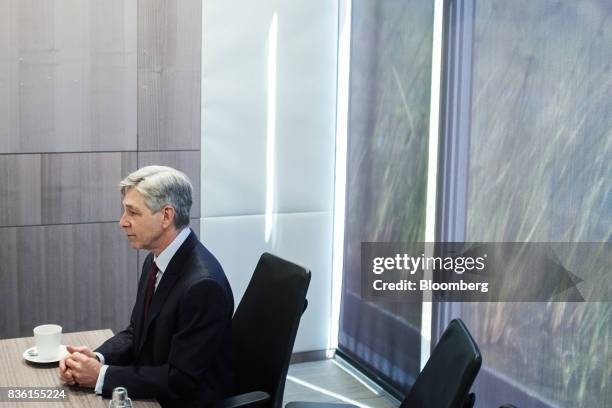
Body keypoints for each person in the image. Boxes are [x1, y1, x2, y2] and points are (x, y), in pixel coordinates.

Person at [59, 166, 235, 407]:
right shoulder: (157, 259)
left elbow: (180, 379)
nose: (123, 222)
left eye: (133, 212)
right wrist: (96, 358)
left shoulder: (203, 286)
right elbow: (137, 332)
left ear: (166, 216)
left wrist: (100, 376)